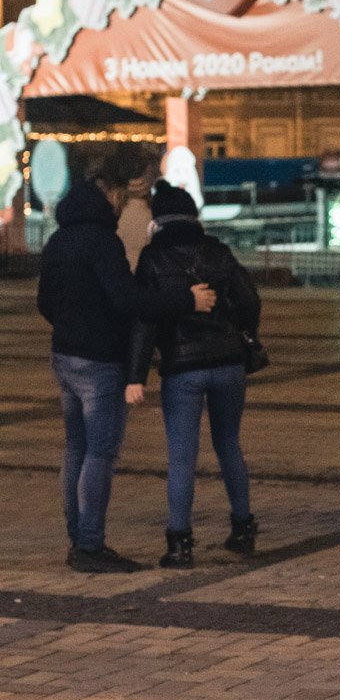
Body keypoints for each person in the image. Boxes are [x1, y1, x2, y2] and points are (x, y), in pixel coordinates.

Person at [37, 158, 217, 573]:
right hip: (99, 360)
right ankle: (90, 546)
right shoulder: (102, 241)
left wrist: (71, 325)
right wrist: (186, 299)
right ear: (110, 193)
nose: (122, 206)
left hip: (64, 355)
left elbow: (46, 302)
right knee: (100, 453)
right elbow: (128, 300)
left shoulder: (59, 240)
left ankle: (77, 538)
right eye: (122, 196)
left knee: (76, 448)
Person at [125, 181, 262, 568]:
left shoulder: (153, 259)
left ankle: (180, 544)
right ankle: (243, 529)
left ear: (159, 220)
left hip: (182, 368)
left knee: (182, 456)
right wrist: (238, 330)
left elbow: (144, 320)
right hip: (227, 361)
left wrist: (136, 374)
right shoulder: (218, 252)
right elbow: (249, 300)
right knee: (229, 446)